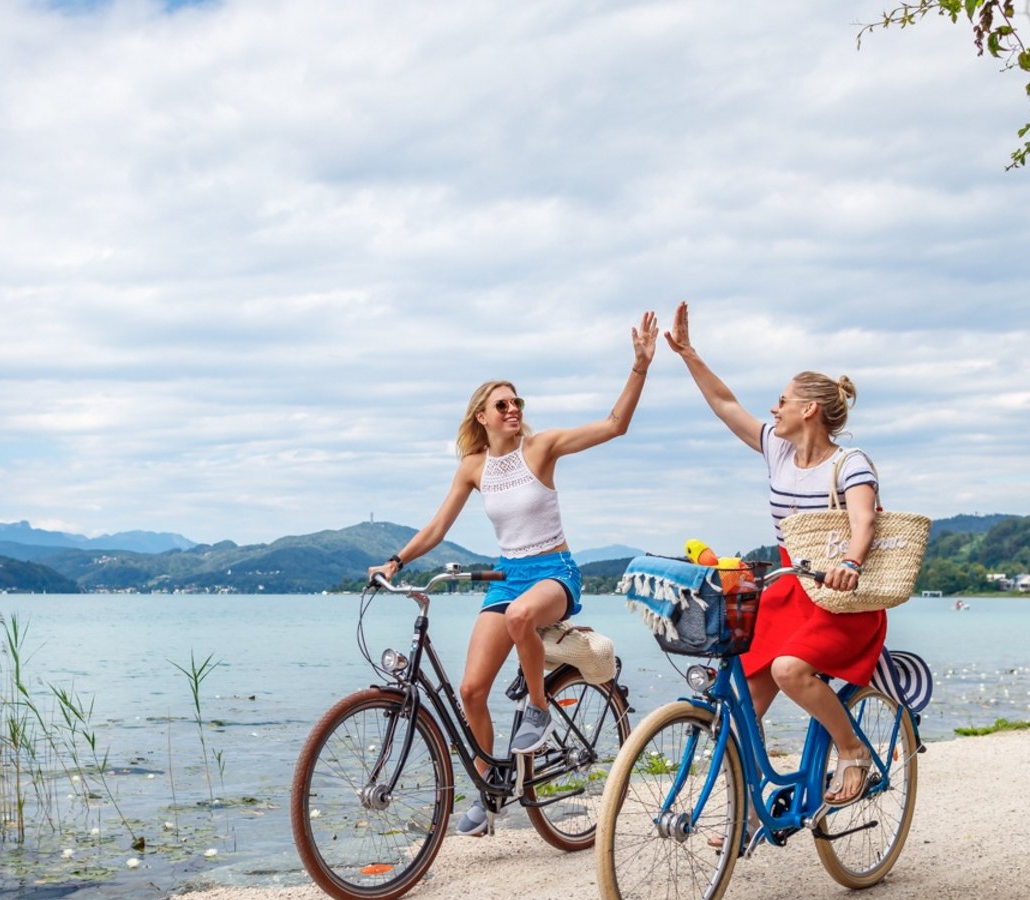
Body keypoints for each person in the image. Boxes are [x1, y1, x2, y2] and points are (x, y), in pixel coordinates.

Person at [368, 312, 660, 835]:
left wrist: (639, 367)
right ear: (480, 415)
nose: (513, 410)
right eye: (501, 404)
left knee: (522, 616)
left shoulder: (540, 448)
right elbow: (437, 526)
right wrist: (397, 561)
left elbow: (615, 425)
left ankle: (538, 710)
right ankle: (490, 790)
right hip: (506, 576)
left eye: (517, 402)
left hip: (554, 572)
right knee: (471, 690)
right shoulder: (474, 467)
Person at [663, 301, 886, 807]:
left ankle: (852, 751)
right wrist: (688, 354)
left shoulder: (850, 463)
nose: (773, 408)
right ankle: (746, 810)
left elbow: (863, 520)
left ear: (808, 409)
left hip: (836, 594)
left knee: (789, 671)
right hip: (787, 588)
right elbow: (724, 403)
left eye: (782, 400)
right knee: (744, 700)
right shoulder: (778, 449)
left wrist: (850, 562)